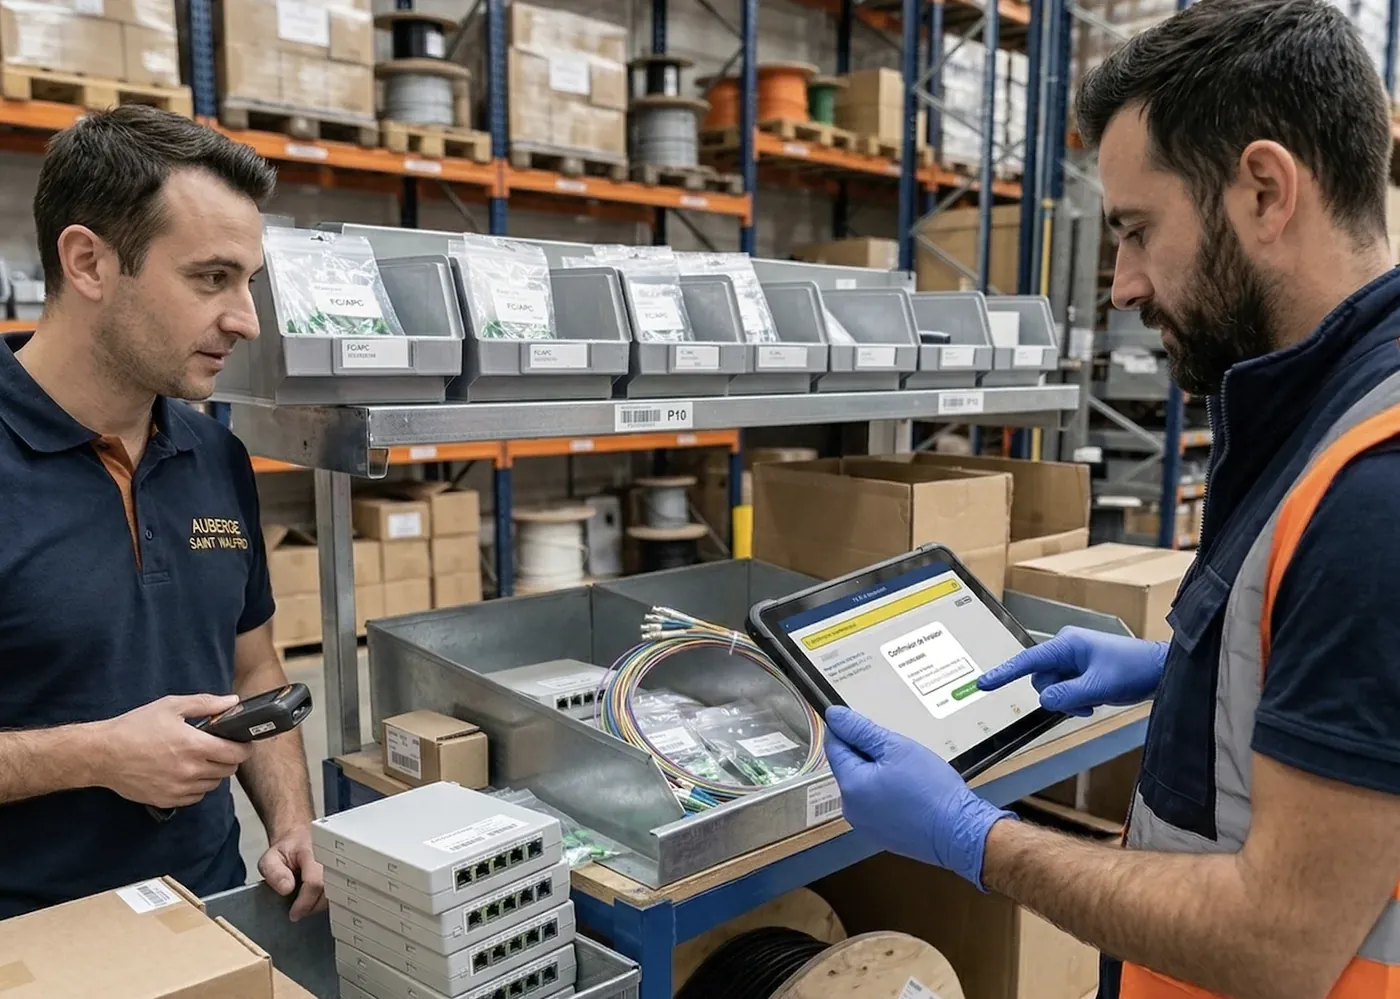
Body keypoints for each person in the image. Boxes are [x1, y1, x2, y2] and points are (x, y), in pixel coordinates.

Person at [824, 1, 1400, 997]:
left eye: (1137, 230)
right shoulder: (1330, 400)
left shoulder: (1373, 491)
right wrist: (1178, 671)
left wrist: (971, 837)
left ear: (1264, 192)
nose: (1123, 285)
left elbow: (1279, 943)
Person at [0, 105, 325, 921]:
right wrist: (95, 754)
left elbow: (252, 669)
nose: (246, 319)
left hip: (206, 905)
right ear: (89, 262)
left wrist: (293, 821)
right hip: (33, 940)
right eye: (211, 278)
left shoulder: (216, 455)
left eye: (248, 282)